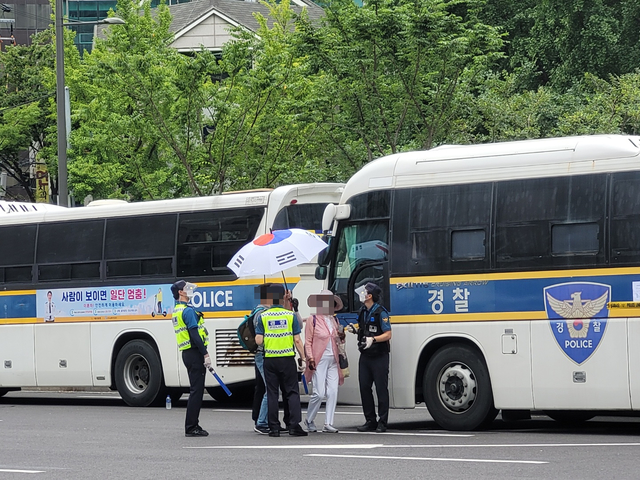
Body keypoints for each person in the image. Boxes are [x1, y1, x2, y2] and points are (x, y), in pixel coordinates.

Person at [255, 283, 308, 437]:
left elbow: (259, 340)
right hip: (287, 359)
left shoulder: (263, 317)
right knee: (291, 392)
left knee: (272, 393)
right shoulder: (289, 315)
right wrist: (303, 358)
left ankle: (274, 428)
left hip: (270, 360)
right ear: (282, 297)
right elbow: (297, 340)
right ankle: (293, 425)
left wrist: (270, 337)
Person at [347, 282, 392, 433]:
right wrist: (355, 329)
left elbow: (388, 334)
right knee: (364, 388)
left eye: (364, 292)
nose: (361, 294)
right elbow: (362, 326)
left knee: (381, 389)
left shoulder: (381, 312)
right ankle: (370, 420)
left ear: (370, 296)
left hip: (379, 356)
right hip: (365, 355)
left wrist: (374, 339)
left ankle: (383, 421)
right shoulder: (363, 311)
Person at [171, 280, 211, 437]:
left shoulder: (177, 310)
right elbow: (194, 334)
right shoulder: (187, 311)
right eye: (186, 288)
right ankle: (192, 426)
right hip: (194, 353)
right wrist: (205, 354)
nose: (190, 290)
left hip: (187, 353)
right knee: (197, 391)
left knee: (196, 389)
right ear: (181, 292)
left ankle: (192, 425)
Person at [304, 290, 345, 433]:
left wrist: (341, 336)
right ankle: (309, 419)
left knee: (333, 391)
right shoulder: (313, 319)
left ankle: (329, 423)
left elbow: (339, 341)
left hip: (333, 359)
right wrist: (309, 358)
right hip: (319, 360)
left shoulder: (334, 320)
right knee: (319, 393)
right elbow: (307, 342)